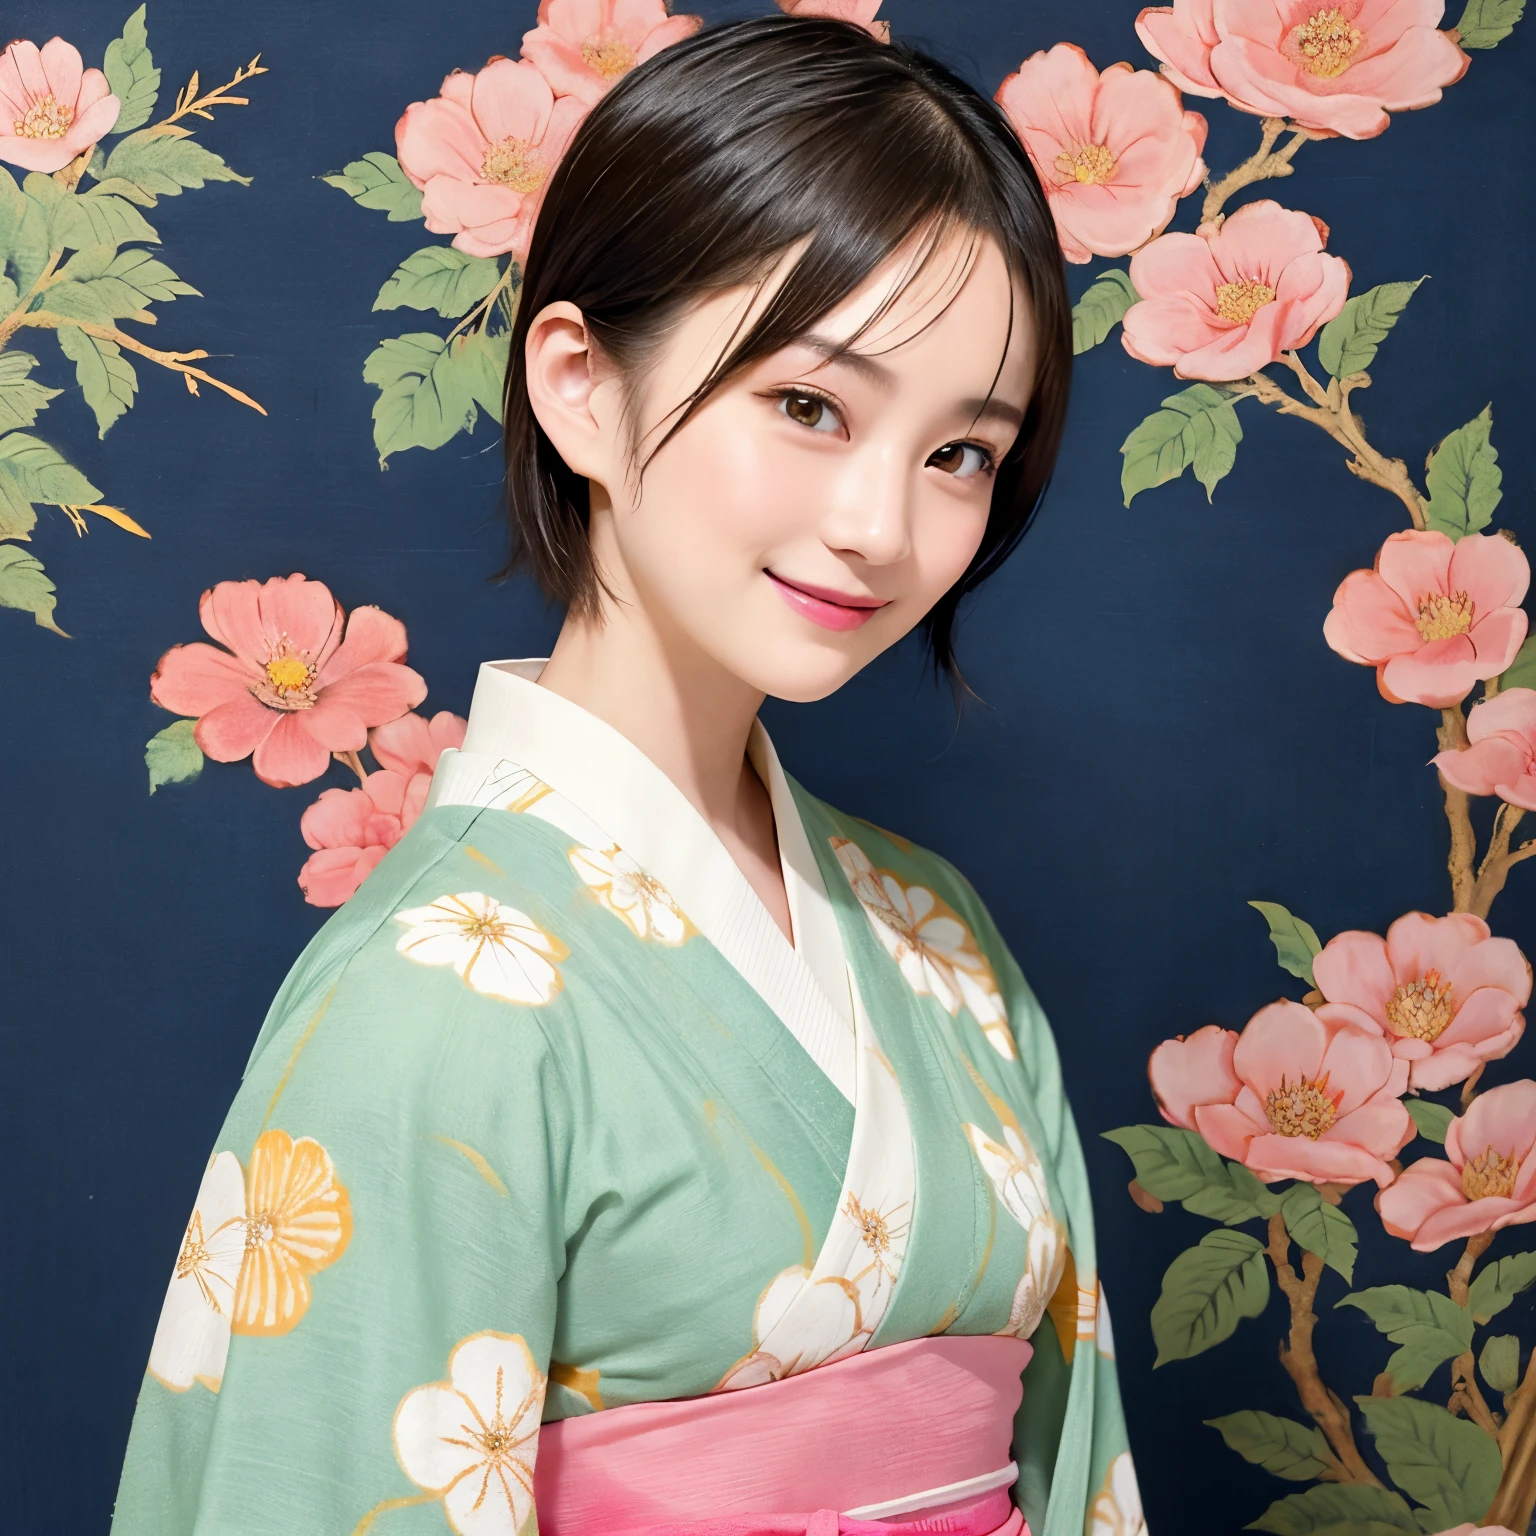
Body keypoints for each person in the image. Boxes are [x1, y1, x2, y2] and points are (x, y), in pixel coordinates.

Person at [110, 15, 1138, 1536]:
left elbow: (1074, 1472)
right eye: (810, 405)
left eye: (961, 454)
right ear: (581, 383)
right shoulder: (423, 1004)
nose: (879, 522)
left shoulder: (939, 935)